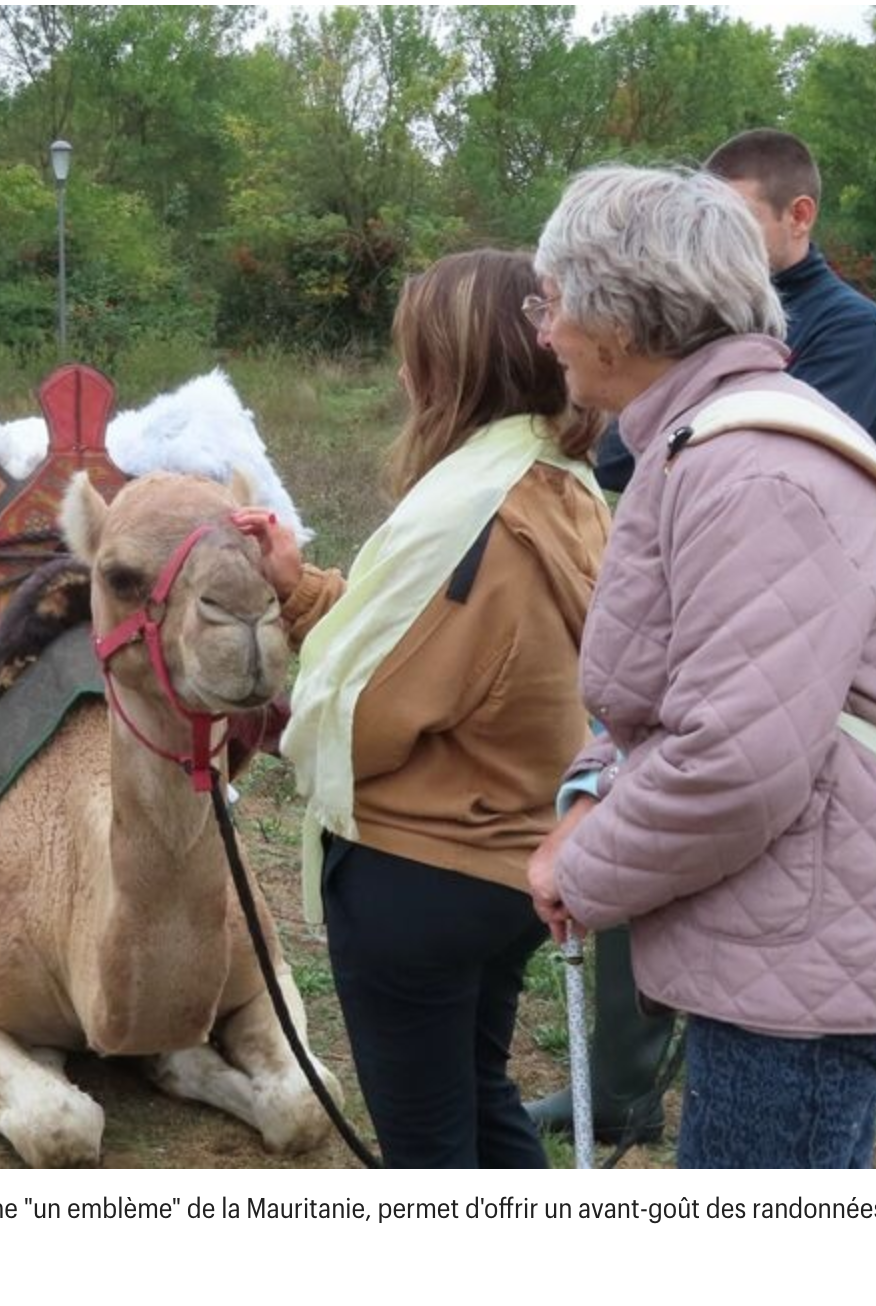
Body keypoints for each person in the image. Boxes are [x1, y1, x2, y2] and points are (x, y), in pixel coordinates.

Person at [524, 165, 876, 1168]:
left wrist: (582, 869)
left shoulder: (751, 477)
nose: (544, 331)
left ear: (620, 319)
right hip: (801, 926)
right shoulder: (721, 440)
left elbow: (736, 761)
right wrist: (595, 792)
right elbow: (694, 696)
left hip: (805, 961)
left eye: (553, 302)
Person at [234, 250, 610, 1168]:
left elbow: (367, 708)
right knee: (481, 1094)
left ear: (457, 364)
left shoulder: (470, 515)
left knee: (428, 1153)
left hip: (422, 873)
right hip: (512, 857)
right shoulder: (560, 484)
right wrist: (300, 587)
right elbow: (441, 652)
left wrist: (281, 711)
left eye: (416, 353)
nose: (404, 376)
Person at [591, 128, 876, 493]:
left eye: (734, 220)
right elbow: (615, 458)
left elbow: (770, 473)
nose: (712, 238)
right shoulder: (702, 313)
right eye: (704, 221)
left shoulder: (852, 329)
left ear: (799, 216)